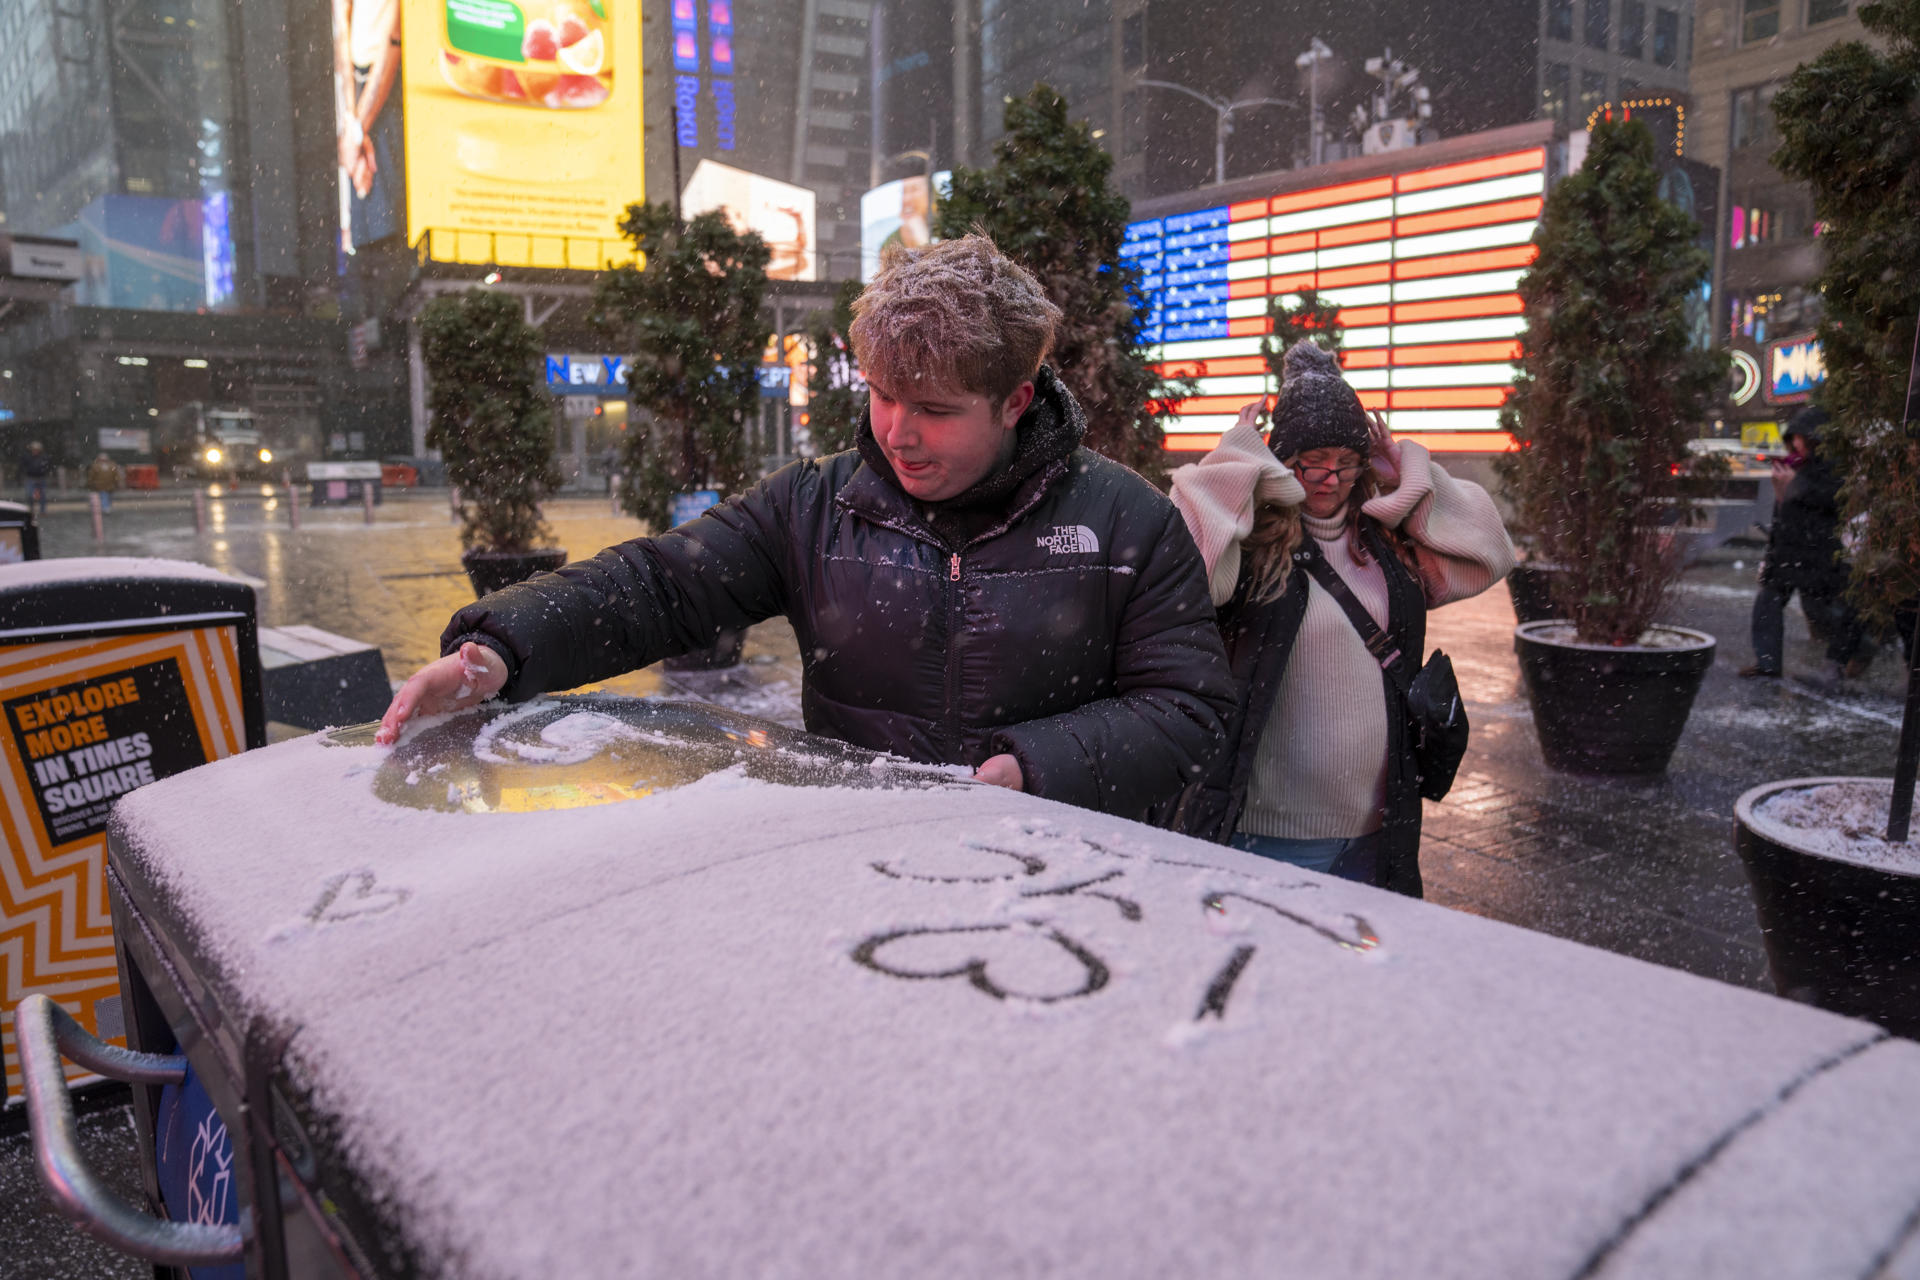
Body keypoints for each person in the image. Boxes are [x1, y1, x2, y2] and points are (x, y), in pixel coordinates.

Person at [378, 235, 1236, 819]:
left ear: (1015, 401)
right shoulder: (815, 505)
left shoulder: (1127, 522)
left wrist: (1035, 767)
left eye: (934, 409)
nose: (897, 432)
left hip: (1051, 867)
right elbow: (660, 583)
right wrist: (500, 650)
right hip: (847, 849)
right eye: (883, 395)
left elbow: (1190, 709)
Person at [1160, 342, 1514, 894]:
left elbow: (1490, 553)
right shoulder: (1252, 546)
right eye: (1312, 460)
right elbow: (1185, 579)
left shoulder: (1388, 544)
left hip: (1378, 832)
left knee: (1359, 981)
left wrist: (1408, 475)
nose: (1329, 478)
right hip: (1268, 834)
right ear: (1280, 458)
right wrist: (1233, 463)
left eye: (1346, 462)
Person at [1740, 406, 1867, 683]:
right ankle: (1768, 663)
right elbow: (1785, 511)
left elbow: (1832, 501)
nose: (1795, 444)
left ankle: (1840, 662)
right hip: (1788, 551)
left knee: (1848, 606)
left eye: (1799, 438)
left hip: (1818, 552)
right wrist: (1783, 491)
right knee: (1768, 602)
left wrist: (1796, 488)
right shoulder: (1794, 467)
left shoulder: (1829, 468)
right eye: (1793, 438)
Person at [21, 441, 49, 517]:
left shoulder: (43, 457)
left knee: (42, 496)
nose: (35, 451)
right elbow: (24, 465)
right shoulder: (28, 457)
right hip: (31, 478)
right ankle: (31, 510)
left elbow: (46, 466)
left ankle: (42, 511)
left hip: (41, 478)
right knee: (30, 495)